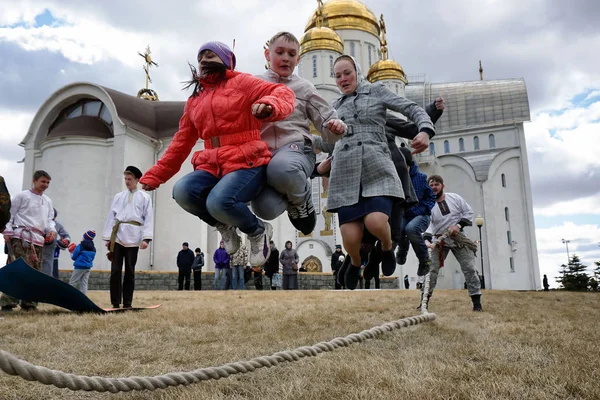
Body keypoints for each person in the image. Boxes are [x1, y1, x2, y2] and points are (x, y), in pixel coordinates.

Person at [140, 41, 296, 268]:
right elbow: (180, 143)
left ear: (225, 61)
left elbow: (281, 92)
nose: (204, 60)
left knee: (219, 201)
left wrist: (269, 105)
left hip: (247, 161)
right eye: (201, 56)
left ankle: (257, 231)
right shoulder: (195, 101)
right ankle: (225, 227)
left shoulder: (242, 82)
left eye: (210, 55)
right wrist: (155, 175)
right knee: (183, 191)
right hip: (213, 163)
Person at [326, 55, 434, 290]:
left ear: (357, 71)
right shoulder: (335, 107)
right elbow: (328, 142)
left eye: (347, 72)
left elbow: (410, 108)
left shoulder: (376, 91)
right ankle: (355, 262)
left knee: (376, 222)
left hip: (376, 168)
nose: (343, 79)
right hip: (345, 175)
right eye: (338, 75)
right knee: (350, 240)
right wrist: (306, 149)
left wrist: (426, 130)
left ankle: (386, 246)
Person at [251, 31, 346, 234]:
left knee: (282, 168)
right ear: (268, 55)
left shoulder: (303, 88)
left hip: (296, 149)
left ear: (298, 59)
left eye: (291, 54)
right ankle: (295, 196)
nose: (286, 57)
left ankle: (301, 198)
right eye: (280, 52)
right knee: (264, 208)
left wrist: (335, 128)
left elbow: (327, 119)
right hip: (264, 155)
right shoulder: (254, 85)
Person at [423, 175, 482, 312]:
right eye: (431, 185)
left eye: (436, 184)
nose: (433, 187)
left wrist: (458, 226)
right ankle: (424, 302)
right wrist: (427, 239)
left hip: (458, 238)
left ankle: (477, 303)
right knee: (431, 271)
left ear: (443, 186)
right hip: (438, 240)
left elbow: (468, 212)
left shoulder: (454, 198)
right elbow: (427, 224)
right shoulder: (427, 205)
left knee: (469, 268)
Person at [1, 170, 56, 311]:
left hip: (38, 240)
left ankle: (29, 303)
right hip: (21, 237)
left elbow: (49, 220)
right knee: (18, 271)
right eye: (43, 181)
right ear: (34, 180)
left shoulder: (48, 201)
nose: (45, 185)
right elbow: (10, 214)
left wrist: (51, 231)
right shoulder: (21, 196)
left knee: (35, 274)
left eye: (48, 182)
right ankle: (8, 302)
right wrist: (7, 230)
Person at [102, 166, 154, 309]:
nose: (127, 181)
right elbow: (111, 216)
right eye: (125, 179)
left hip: (134, 236)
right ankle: (115, 302)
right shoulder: (119, 196)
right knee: (115, 270)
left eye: (130, 179)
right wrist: (108, 238)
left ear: (137, 180)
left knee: (130, 270)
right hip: (118, 235)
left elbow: (149, 218)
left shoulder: (144, 197)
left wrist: (146, 238)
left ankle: (128, 303)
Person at [395, 147, 436, 276]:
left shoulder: (420, 177)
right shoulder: (396, 178)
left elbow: (431, 197)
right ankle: (402, 249)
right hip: (404, 214)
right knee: (398, 228)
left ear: (409, 165)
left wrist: (422, 209)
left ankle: (424, 260)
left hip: (421, 215)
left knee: (411, 229)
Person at [41, 208, 70, 277]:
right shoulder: (38, 222)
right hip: (36, 251)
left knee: (48, 274)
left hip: (50, 254)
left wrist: (66, 241)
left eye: (53, 219)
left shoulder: (58, 225)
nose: (52, 220)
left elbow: (66, 236)